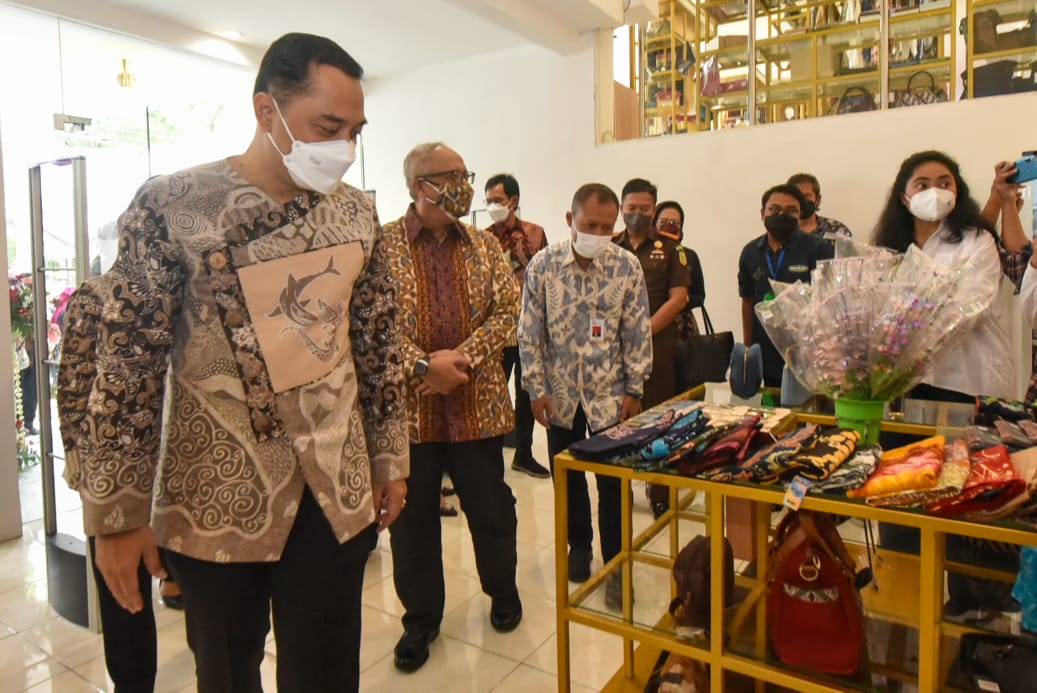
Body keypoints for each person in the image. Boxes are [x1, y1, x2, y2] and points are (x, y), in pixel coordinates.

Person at [57, 33, 409, 693]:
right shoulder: (172, 205)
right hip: (212, 491)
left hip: (334, 488)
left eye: (355, 132)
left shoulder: (357, 212)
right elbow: (127, 365)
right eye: (327, 127)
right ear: (267, 111)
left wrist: (390, 459)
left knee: (327, 670)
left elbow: (378, 343)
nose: (343, 147)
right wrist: (117, 514)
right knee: (224, 670)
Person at [382, 142, 522, 674]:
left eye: (466, 175)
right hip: (409, 417)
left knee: (491, 511)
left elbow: (507, 310)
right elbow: (369, 324)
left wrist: (459, 359)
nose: (465, 185)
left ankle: (503, 592)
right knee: (412, 524)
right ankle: (420, 620)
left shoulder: (484, 246)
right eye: (454, 176)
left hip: (477, 408)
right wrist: (422, 366)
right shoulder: (381, 247)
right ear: (421, 185)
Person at [873, 151, 1020, 620]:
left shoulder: (976, 241)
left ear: (958, 190)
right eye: (922, 183)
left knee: (968, 502)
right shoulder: (889, 252)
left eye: (944, 181)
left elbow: (967, 307)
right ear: (904, 196)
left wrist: (902, 328)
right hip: (907, 391)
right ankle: (904, 608)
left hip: (967, 385)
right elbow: (877, 311)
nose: (934, 191)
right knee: (903, 496)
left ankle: (972, 614)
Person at [520, 182, 652, 611]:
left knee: (613, 484)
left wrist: (635, 387)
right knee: (568, 479)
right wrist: (536, 388)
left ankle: (617, 564)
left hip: (610, 395)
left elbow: (637, 331)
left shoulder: (626, 266)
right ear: (570, 220)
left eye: (606, 226)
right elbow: (529, 332)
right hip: (560, 396)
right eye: (590, 224)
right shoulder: (543, 265)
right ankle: (579, 545)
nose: (598, 233)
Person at [613, 179, 689, 518]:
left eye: (644, 209)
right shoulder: (609, 245)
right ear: (621, 208)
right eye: (631, 208)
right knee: (616, 423)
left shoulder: (671, 249)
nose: (637, 214)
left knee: (660, 422)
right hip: (613, 352)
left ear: (654, 209)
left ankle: (659, 491)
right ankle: (619, 490)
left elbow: (678, 299)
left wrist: (642, 331)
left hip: (659, 350)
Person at [484, 172, 550, 479]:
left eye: (497, 200)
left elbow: (545, 277)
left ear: (513, 201)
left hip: (530, 326)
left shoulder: (535, 233)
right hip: (497, 328)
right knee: (494, 392)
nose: (492, 206)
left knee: (526, 393)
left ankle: (524, 454)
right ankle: (488, 458)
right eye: (488, 201)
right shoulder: (483, 239)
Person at [738, 184, 834, 388]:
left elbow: (829, 302)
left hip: (807, 351)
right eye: (774, 209)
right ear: (763, 213)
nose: (782, 215)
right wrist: (749, 348)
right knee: (770, 404)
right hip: (765, 350)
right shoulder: (750, 252)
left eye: (791, 210)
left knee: (809, 405)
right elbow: (747, 301)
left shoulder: (819, 249)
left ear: (799, 215)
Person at [653, 200, 705, 340]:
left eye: (674, 223)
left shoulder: (689, 255)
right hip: (649, 323)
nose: (669, 226)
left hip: (682, 331)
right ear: (654, 223)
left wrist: (678, 300)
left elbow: (699, 296)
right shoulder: (645, 255)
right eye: (663, 222)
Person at [786, 173, 852, 242]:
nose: (800, 200)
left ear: (817, 199)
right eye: (795, 196)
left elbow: (849, 249)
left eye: (806, 196)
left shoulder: (838, 230)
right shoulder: (781, 230)